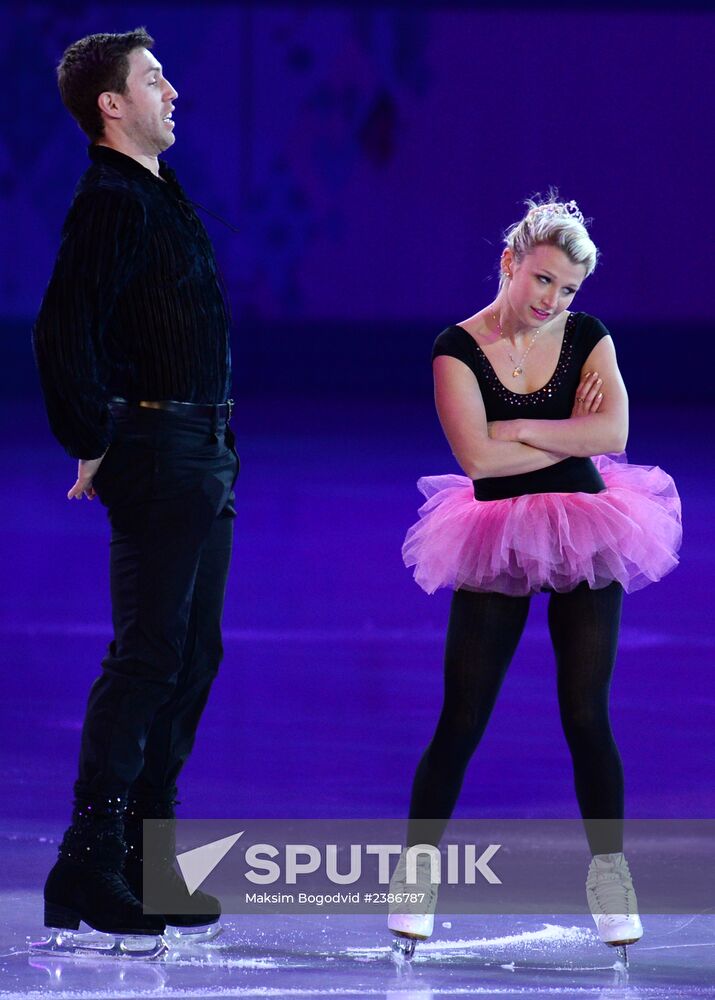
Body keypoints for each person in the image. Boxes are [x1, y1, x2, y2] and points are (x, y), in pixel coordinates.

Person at [388, 197, 681, 960]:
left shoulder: (588, 337)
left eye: (568, 290)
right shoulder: (457, 348)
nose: (552, 301)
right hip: (492, 534)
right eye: (543, 280)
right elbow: (478, 465)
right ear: (509, 262)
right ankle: (414, 876)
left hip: (587, 529)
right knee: (462, 716)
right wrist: (558, 441)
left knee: (586, 713)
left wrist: (516, 425)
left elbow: (611, 436)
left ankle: (610, 881)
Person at [32, 28, 238, 950]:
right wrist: (91, 437)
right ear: (111, 105)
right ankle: (89, 857)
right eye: (154, 80)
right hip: (161, 448)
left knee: (193, 654)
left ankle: (147, 859)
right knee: (149, 655)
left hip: (204, 443)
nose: (173, 90)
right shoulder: (110, 197)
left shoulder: (157, 189)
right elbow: (63, 325)